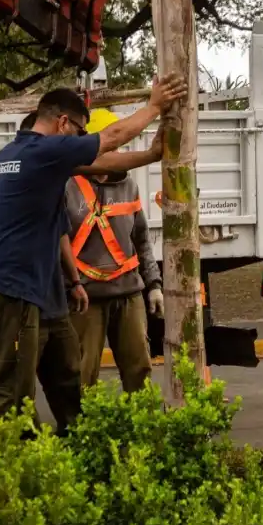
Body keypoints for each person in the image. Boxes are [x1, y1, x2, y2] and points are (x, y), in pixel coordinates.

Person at [0, 73, 188, 456]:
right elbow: (110, 139)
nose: (81, 141)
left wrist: (149, 156)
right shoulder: (46, 152)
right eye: (79, 132)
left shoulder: (11, 157)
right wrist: (155, 106)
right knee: (3, 395)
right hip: (3, 292)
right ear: (63, 123)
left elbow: (98, 163)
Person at [0, 161, 87, 437]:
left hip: (54, 302)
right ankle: (25, 446)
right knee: (18, 387)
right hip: (21, 306)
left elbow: (61, 234)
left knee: (69, 374)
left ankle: (76, 439)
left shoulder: (50, 183)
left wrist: (74, 282)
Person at [66, 108, 165, 392]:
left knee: (139, 371)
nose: (115, 152)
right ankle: (85, 422)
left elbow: (141, 239)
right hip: (85, 298)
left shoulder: (128, 185)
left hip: (128, 294)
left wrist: (154, 285)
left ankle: (141, 420)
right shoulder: (67, 185)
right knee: (82, 376)